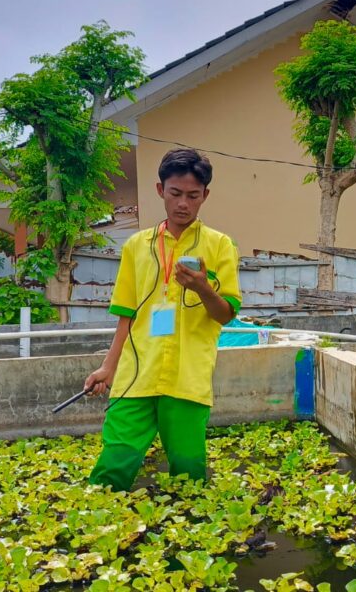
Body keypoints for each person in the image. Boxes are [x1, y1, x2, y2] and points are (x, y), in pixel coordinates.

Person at [85, 148, 242, 491]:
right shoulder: (136, 246)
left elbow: (226, 314)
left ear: (205, 196)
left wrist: (203, 288)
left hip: (187, 376)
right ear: (160, 190)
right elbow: (126, 314)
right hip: (136, 374)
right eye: (175, 193)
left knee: (188, 470)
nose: (183, 204)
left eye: (193, 196)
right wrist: (108, 368)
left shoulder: (220, 245)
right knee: (114, 462)